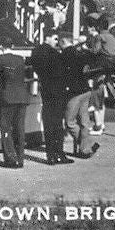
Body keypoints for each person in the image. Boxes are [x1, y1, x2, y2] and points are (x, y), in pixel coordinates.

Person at [27, 32, 72, 165]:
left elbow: (34, 67)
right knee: (57, 124)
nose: (57, 42)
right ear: (48, 37)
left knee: (48, 122)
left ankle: (50, 155)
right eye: (55, 38)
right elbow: (62, 71)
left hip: (45, 89)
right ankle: (59, 153)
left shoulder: (36, 52)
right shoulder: (54, 54)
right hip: (58, 90)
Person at [0, 39, 31, 168]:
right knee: (19, 128)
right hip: (22, 97)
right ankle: (20, 158)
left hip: (7, 97)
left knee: (6, 128)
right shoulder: (20, 59)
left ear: (1, 46)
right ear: (12, 46)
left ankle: (11, 159)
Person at [61, 37, 100, 159]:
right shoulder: (82, 54)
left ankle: (88, 145)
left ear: (63, 43)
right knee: (84, 121)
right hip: (86, 90)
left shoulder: (64, 56)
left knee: (70, 122)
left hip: (75, 93)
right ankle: (86, 147)